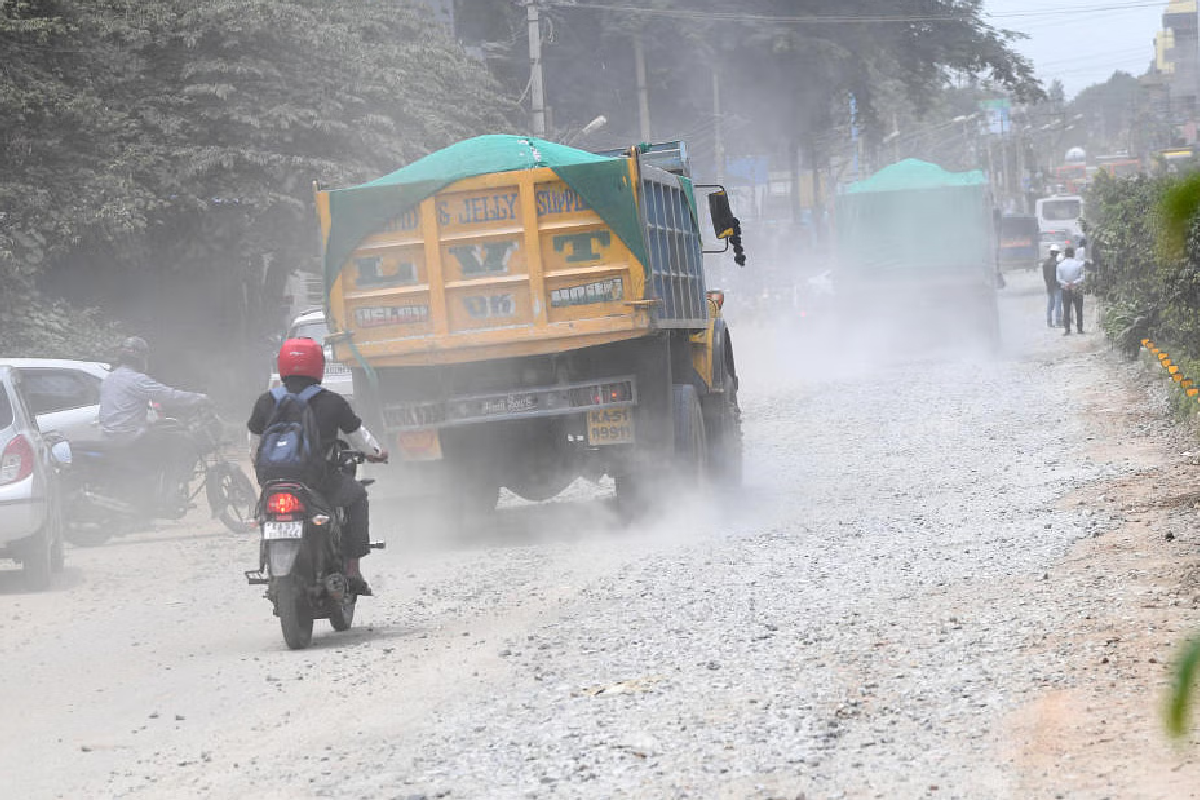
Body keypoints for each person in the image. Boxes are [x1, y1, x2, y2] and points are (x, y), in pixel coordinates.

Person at [247, 338, 388, 596]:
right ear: (318, 366)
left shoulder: (266, 402)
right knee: (357, 496)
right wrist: (377, 454)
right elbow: (359, 436)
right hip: (318, 482)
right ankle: (353, 568)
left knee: (266, 516)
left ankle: (269, 571)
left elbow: (254, 447)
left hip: (274, 483)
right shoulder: (331, 402)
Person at [99, 336, 210, 507]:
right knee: (182, 441)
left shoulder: (110, 379)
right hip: (131, 437)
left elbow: (122, 411)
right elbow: (167, 395)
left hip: (110, 437)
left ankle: (157, 487)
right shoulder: (137, 380)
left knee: (160, 437)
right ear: (141, 359)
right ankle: (170, 494)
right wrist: (199, 398)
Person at [1057, 246, 1086, 335]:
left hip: (1065, 290)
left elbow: (1058, 279)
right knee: (1079, 310)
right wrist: (1074, 283)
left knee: (1066, 310)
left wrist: (1066, 284)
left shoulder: (1060, 265)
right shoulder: (1078, 264)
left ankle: (1067, 330)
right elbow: (1083, 277)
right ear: (1073, 254)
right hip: (1076, 289)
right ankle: (1080, 329)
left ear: (1065, 254)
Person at [1042, 243, 1063, 328]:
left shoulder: (1045, 263)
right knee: (1058, 304)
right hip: (1057, 286)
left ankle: (1049, 321)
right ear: (1056, 253)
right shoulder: (1058, 263)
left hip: (1049, 286)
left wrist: (1047, 282)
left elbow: (1044, 276)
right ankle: (1058, 321)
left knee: (1050, 304)